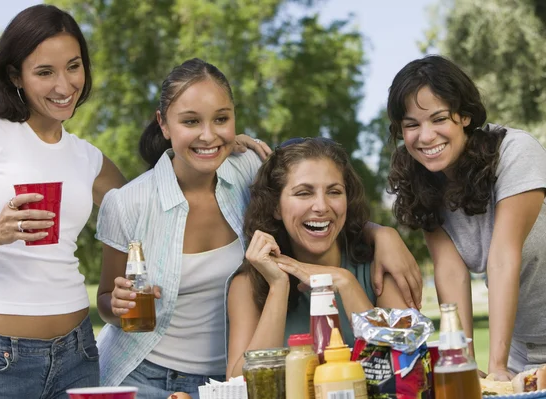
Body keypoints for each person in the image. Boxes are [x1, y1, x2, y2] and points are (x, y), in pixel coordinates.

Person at [95, 58, 421, 399]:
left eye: (221, 119)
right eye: (191, 121)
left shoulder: (247, 167)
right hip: (147, 371)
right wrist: (117, 304)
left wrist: (382, 233)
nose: (209, 135)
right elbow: (106, 301)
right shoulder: (128, 203)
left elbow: (313, 192)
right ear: (163, 124)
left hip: (222, 379)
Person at [0, 4, 129, 398]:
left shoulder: (88, 157)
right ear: (16, 75)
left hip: (78, 354)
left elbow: (147, 202)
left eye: (73, 66)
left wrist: (214, 149)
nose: (64, 86)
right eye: (45, 72)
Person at [385, 55, 546, 380]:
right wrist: (466, 364)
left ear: (465, 116)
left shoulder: (516, 152)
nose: (426, 136)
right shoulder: (423, 181)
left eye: (438, 118)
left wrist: (496, 365)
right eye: (412, 125)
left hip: (512, 355)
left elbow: (503, 257)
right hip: (524, 348)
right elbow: (450, 273)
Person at [225, 137, 409, 377]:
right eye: (303, 193)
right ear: (276, 206)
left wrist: (346, 283)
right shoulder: (248, 283)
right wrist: (278, 287)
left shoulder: (378, 267)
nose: (321, 206)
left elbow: (406, 367)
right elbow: (239, 384)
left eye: (334, 191)